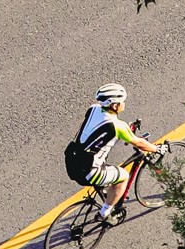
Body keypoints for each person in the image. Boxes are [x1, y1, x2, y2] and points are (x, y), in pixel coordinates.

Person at [64, 82, 157, 221]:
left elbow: (100, 131)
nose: (124, 103)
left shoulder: (93, 109)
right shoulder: (117, 126)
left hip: (72, 162)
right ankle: (105, 213)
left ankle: (108, 192)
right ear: (115, 106)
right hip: (89, 172)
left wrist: (126, 130)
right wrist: (157, 148)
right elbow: (139, 143)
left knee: (107, 168)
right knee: (123, 176)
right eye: (122, 101)